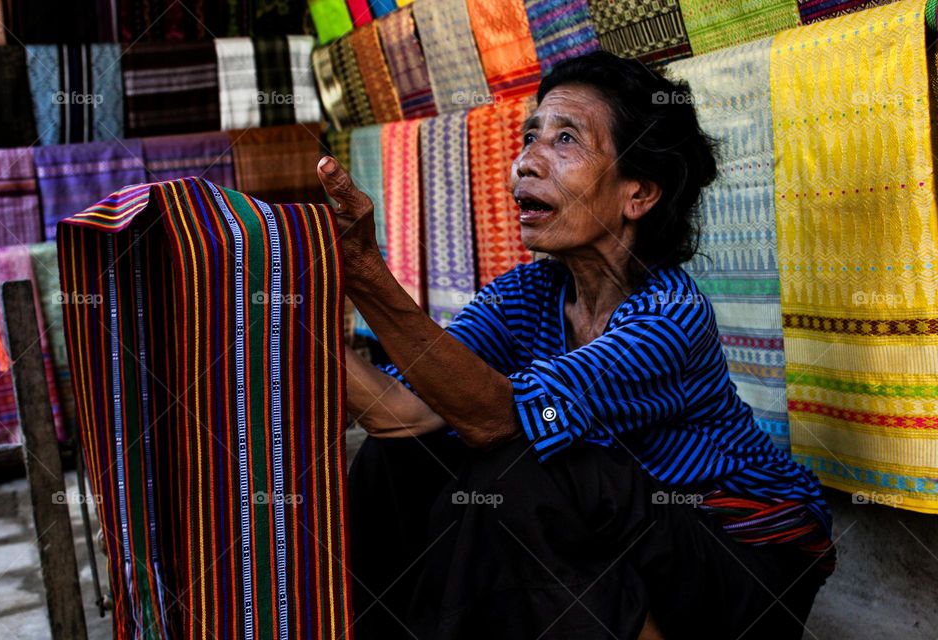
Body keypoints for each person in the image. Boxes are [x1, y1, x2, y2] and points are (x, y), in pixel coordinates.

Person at [315, 51, 835, 640]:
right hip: (642, 532)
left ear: (636, 194)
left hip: (745, 557)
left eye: (566, 140)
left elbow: (496, 420)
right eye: (530, 136)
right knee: (405, 455)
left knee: (517, 472)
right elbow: (397, 416)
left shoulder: (669, 317)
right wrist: (291, 315)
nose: (525, 162)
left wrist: (366, 274)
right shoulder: (528, 292)